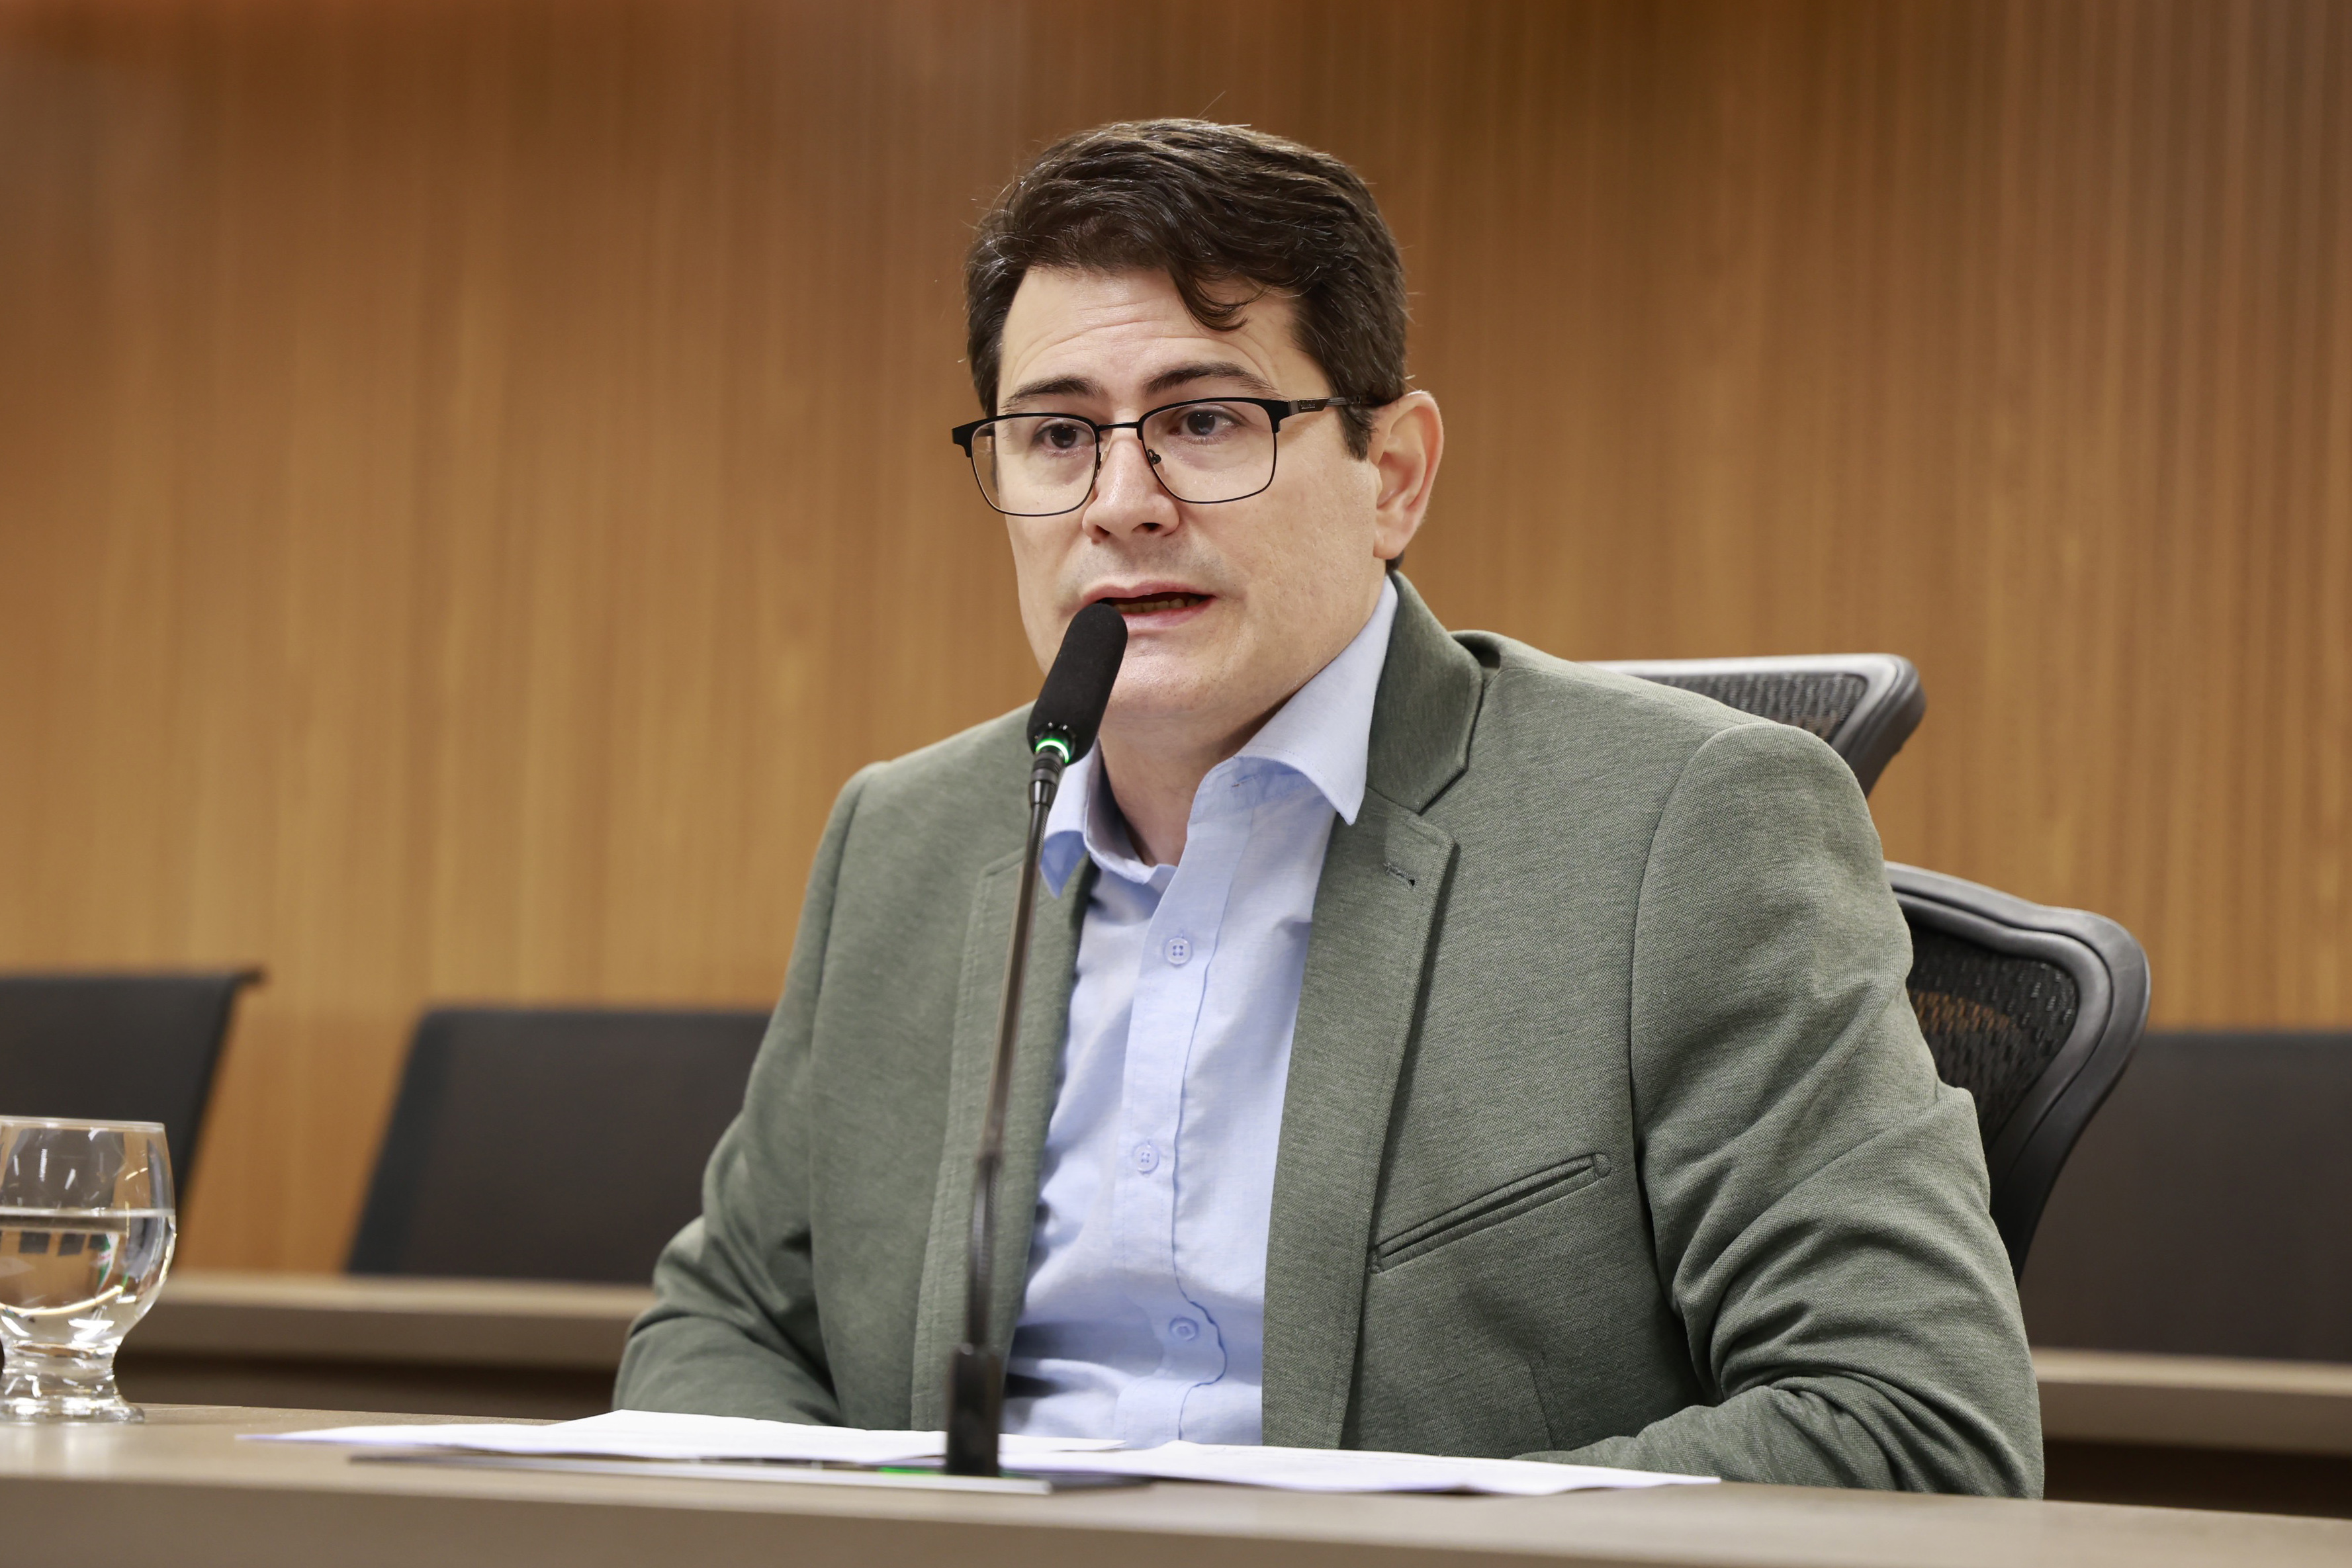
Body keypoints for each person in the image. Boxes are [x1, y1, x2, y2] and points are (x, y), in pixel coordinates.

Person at [615, 119, 2041, 1495]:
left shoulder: (1690, 828)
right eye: (1055, 435)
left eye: (1205, 420)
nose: (1120, 501)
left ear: (1393, 476)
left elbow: (1912, 1423)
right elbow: (725, 1329)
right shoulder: (902, 838)